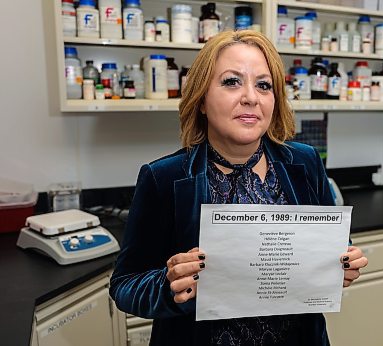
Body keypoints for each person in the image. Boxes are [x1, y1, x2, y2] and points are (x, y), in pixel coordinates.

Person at [110, 30, 368, 346]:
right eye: (232, 82)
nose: (250, 97)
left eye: (263, 85)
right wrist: (168, 285)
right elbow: (124, 284)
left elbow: (333, 248)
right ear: (202, 99)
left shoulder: (304, 162)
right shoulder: (163, 178)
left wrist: (343, 264)